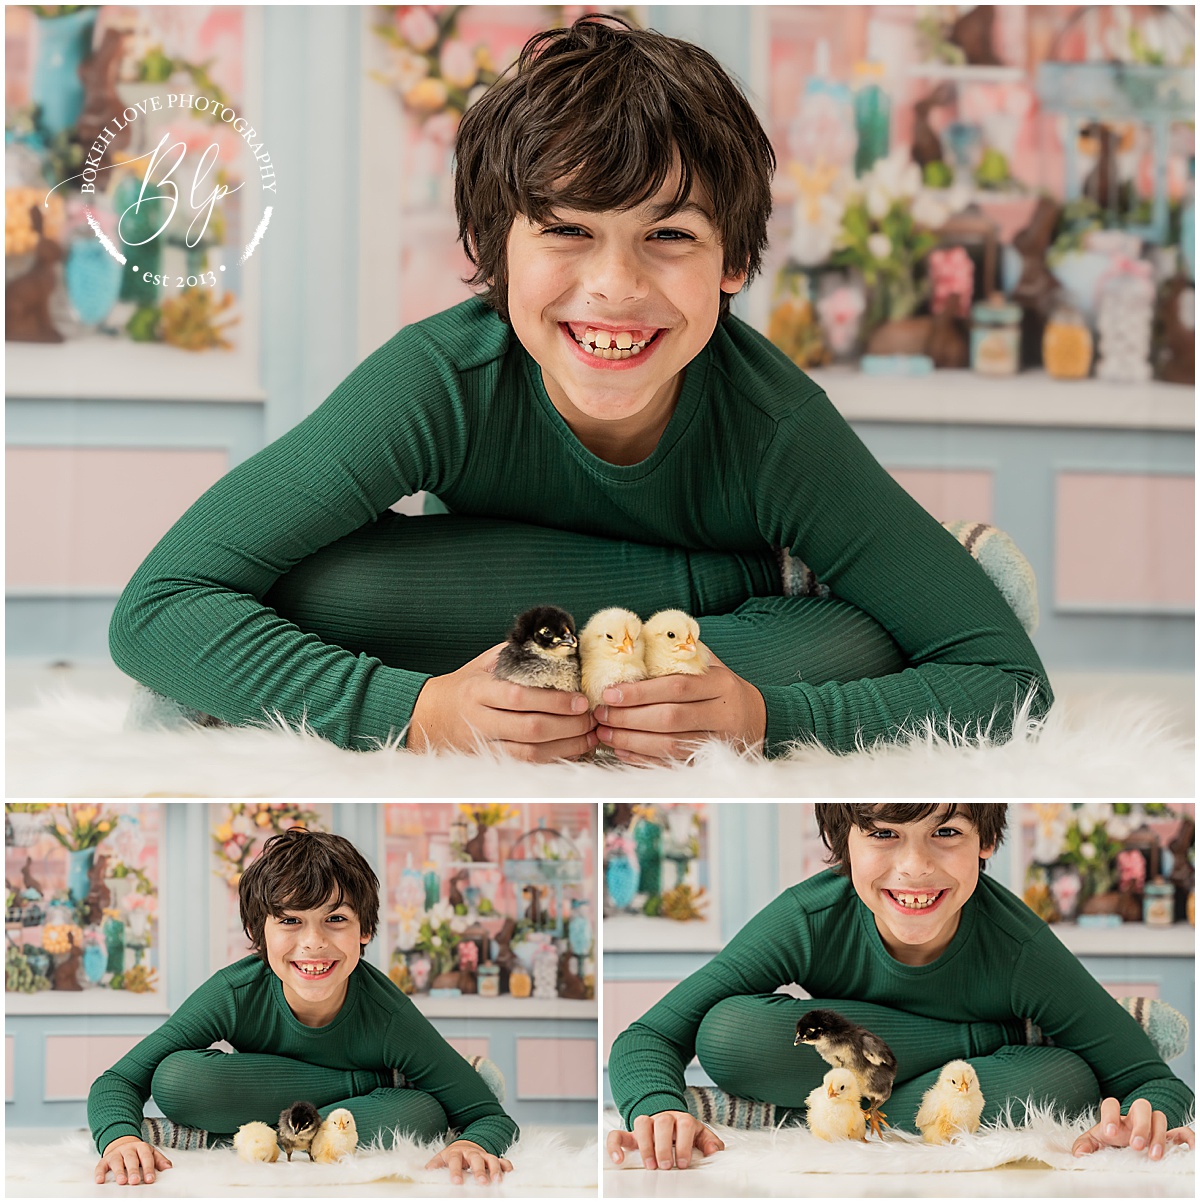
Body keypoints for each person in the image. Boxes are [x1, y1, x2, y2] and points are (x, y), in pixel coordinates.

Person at [109, 16, 1051, 764]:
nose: (615, 286)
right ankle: (776, 577)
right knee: (321, 588)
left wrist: (765, 719)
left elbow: (1009, 682)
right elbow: (160, 603)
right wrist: (419, 711)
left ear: (734, 261)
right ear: (491, 249)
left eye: (670, 236)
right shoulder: (439, 379)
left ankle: (841, 594)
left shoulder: (773, 424)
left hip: (658, 640)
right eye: (566, 230)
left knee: (860, 647)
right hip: (572, 611)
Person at [606, 803, 1195, 1170]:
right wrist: (657, 1105)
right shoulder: (808, 919)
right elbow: (647, 1037)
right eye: (883, 834)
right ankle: (1019, 1032)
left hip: (959, 1077)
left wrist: (1147, 1116)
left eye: (946, 831)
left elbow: (1153, 1083)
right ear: (843, 844)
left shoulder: (1018, 949)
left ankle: (765, 1117)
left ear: (986, 841)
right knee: (731, 1033)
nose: (914, 867)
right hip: (880, 1066)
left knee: (1065, 1081)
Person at [89, 828, 517, 1187]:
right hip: (293, 1093)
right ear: (260, 934)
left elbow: (489, 1117)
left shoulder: (387, 1015)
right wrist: (119, 1138)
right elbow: (118, 1081)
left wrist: (470, 1144)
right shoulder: (234, 992)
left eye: (336, 919)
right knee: (177, 1079)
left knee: (422, 1113)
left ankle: (221, 1139)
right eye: (290, 920)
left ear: (365, 930)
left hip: (358, 1111)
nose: (313, 942)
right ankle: (383, 1079)